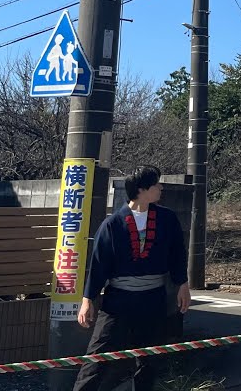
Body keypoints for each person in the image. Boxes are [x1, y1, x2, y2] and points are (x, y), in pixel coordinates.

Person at [73, 167, 190, 391]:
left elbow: (177, 255)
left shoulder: (167, 219)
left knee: (148, 358)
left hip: (153, 298)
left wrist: (182, 285)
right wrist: (88, 299)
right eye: (156, 184)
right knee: (98, 354)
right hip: (118, 300)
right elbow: (99, 264)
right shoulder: (113, 224)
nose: (160, 188)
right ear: (141, 189)